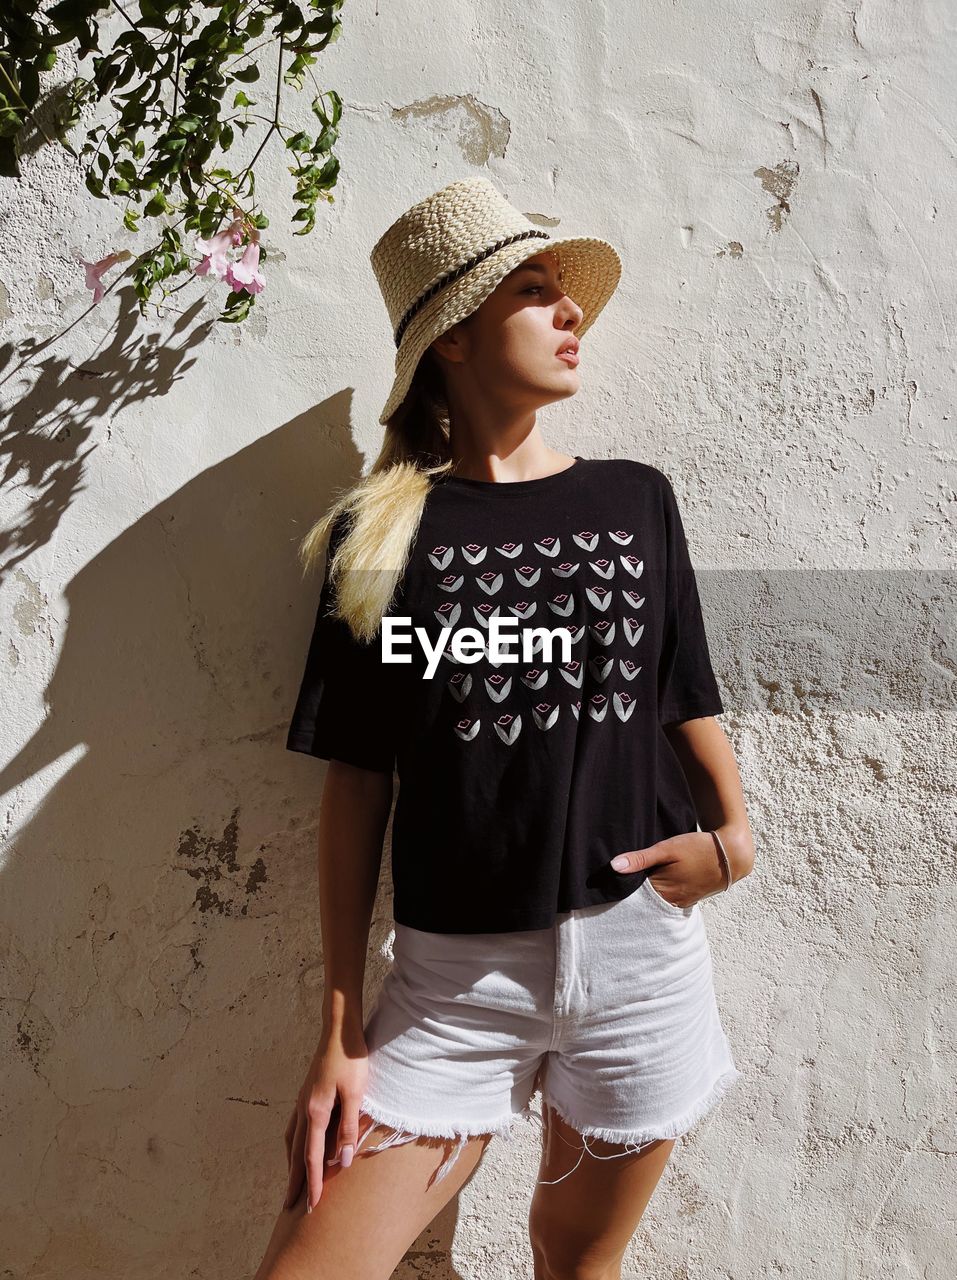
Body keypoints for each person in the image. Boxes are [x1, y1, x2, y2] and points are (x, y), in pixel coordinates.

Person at [253, 176, 755, 1280]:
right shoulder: (378, 533)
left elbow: (681, 691)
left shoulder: (636, 499)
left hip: (638, 956)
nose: (571, 313)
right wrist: (339, 1030)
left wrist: (733, 838)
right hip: (453, 981)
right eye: (536, 292)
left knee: (574, 1261)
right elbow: (358, 784)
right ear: (454, 340)